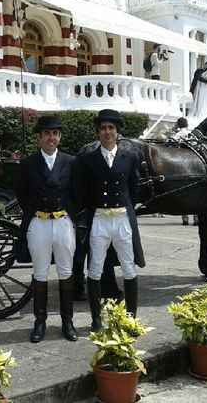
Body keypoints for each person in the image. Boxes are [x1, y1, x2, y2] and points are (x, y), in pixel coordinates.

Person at [75, 109, 144, 330]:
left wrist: (126, 207)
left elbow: (134, 189)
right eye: (103, 128)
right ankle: (96, 319)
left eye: (111, 128)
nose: (107, 132)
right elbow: (82, 192)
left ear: (117, 132)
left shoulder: (130, 157)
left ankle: (131, 318)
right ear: (98, 133)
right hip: (100, 219)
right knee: (94, 269)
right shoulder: (88, 160)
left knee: (129, 268)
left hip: (122, 219)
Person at [13, 115, 78, 343]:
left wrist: (69, 213)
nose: (51, 138)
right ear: (39, 137)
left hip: (62, 223)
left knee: (65, 272)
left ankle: (67, 321)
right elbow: (21, 193)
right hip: (39, 223)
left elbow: (76, 193)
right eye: (47, 134)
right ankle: (39, 322)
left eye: (55, 134)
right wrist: (34, 212)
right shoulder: (28, 163)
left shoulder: (71, 162)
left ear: (59, 137)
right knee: (40, 274)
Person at [172, 117, 196, 226]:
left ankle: (185, 218)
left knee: (183, 191)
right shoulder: (192, 134)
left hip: (182, 163)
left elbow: (170, 143)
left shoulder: (178, 134)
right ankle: (196, 218)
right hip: (194, 162)